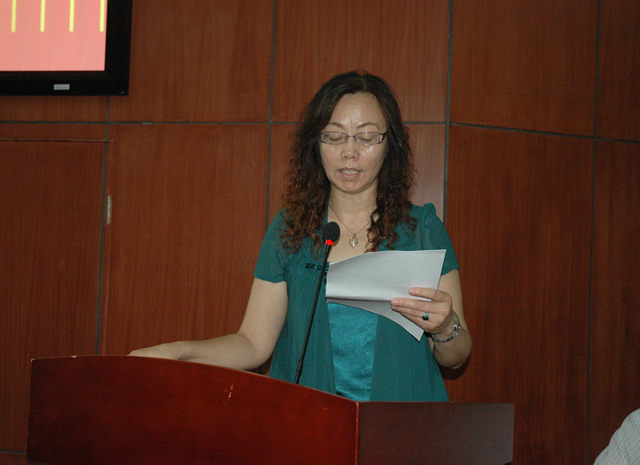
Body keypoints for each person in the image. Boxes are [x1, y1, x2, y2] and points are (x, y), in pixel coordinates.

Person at [130, 71, 471, 401]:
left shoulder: (421, 229)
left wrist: (446, 328)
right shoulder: (292, 230)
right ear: (315, 143)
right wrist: (179, 353)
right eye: (334, 136)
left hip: (401, 426)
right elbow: (253, 344)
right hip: (312, 423)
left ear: (389, 145)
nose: (349, 152)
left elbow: (456, 357)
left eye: (366, 137)